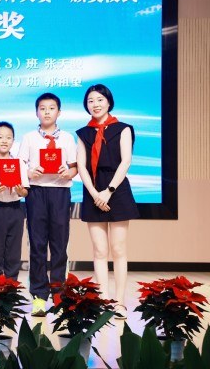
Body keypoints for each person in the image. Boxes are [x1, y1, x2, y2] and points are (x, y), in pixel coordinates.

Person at [76, 84, 139, 320]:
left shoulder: (123, 129)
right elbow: (81, 166)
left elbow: (126, 162)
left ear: (109, 102)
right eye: (91, 100)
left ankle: (120, 302)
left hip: (117, 189)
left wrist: (108, 191)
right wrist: (95, 193)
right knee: (100, 251)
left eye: (100, 99)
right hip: (93, 191)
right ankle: (102, 302)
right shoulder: (83, 133)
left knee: (119, 249)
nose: (95, 104)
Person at [18, 93, 77, 316]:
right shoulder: (29, 138)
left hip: (60, 192)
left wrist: (68, 172)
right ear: (36, 112)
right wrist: (29, 172)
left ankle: (59, 295)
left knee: (60, 245)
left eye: (51, 108)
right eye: (42, 108)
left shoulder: (67, 138)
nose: (47, 112)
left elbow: (75, 167)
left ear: (59, 112)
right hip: (36, 193)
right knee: (38, 244)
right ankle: (39, 296)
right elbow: (20, 165)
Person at [0, 121, 29, 280]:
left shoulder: (19, 164)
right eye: (0, 137)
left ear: (13, 141)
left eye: (8, 137)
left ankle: (11, 287)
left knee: (14, 251)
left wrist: (20, 190)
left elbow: (25, 192)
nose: (4, 141)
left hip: (15, 209)